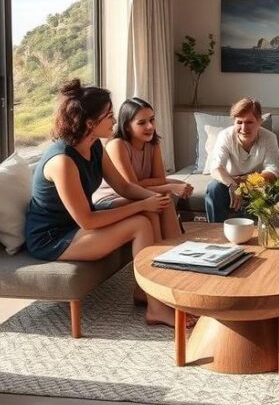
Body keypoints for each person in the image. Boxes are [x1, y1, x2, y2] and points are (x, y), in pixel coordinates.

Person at [24, 80, 192, 328]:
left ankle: (154, 286)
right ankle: (156, 308)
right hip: (55, 237)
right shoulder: (62, 161)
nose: (114, 122)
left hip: (80, 224)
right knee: (140, 223)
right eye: (110, 116)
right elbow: (88, 221)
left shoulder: (94, 147)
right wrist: (140, 206)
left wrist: (153, 199)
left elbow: (124, 187)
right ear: (90, 123)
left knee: (155, 206)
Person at [94, 97, 193, 240]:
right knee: (159, 202)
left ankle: (173, 250)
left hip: (135, 193)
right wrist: (170, 187)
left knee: (164, 199)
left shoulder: (153, 144)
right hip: (112, 197)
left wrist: (164, 184)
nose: (150, 127)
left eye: (152, 120)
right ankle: (158, 253)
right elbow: (131, 188)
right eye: (142, 123)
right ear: (127, 126)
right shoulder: (117, 145)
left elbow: (159, 179)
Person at [205, 97, 279, 223]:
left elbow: (273, 171)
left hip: (257, 185)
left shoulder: (269, 138)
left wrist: (245, 182)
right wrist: (234, 185)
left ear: (259, 121)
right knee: (214, 188)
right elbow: (216, 167)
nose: (244, 128)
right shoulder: (225, 136)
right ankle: (216, 230)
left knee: (274, 193)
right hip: (230, 182)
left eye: (249, 122)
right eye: (239, 122)